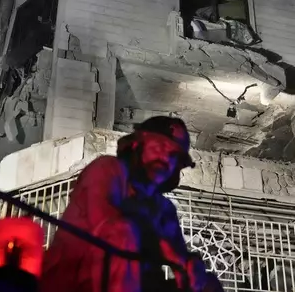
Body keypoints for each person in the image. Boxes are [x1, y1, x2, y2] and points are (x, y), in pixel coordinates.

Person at [39, 116, 223, 292]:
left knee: (209, 285)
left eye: (173, 154)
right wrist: (164, 245)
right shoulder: (108, 169)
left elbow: (181, 260)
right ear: (137, 144)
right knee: (124, 232)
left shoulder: (164, 209)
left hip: (136, 285)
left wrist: (190, 266)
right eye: (159, 146)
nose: (165, 158)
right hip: (73, 280)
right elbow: (106, 228)